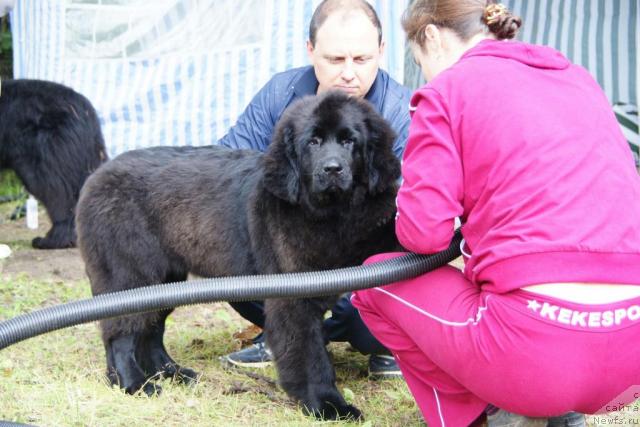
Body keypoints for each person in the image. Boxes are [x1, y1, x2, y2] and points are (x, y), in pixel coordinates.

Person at [351, 1, 640, 426]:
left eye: (419, 61)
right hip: (628, 359)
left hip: (536, 354)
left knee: (374, 284)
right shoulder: (576, 79)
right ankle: (552, 411)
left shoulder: (447, 91)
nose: (425, 73)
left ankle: (474, 418)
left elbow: (423, 236)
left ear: (430, 36)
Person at [217, 0, 412, 379]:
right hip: (290, 261)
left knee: (372, 303)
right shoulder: (280, 94)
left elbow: (406, 222)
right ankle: (286, 332)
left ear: (382, 52)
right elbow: (227, 171)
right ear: (311, 52)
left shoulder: (400, 114)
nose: (349, 74)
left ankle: (380, 342)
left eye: (362, 59)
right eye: (336, 59)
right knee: (228, 249)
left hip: (361, 274)